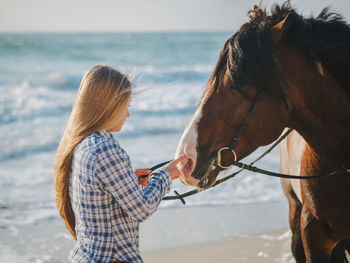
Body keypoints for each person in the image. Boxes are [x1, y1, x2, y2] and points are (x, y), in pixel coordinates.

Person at [54, 64, 184, 263]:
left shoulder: (83, 142)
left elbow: (95, 191)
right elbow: (142, 209)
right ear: (110, 106)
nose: (128, 115)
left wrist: (128, 179)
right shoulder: (105, 149)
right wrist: (166, 174)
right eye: (127, 106)